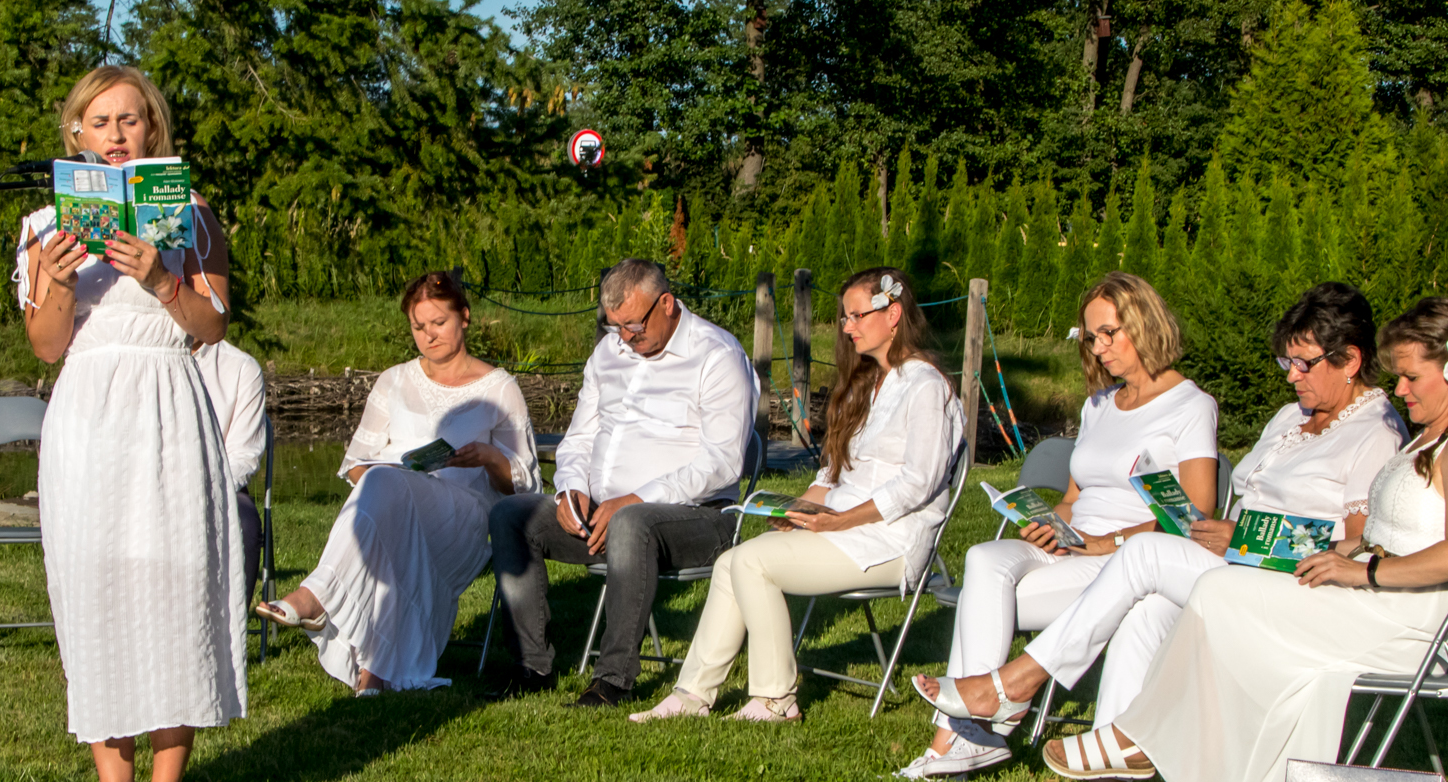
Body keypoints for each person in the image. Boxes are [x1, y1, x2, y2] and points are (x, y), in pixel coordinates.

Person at [1039, 297, 1448, 782]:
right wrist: (1332, 553)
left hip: (1408, 621)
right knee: (1224, 607)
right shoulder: (1428, 439)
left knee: (1220, 593)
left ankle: (1142, 739)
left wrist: (1361, 574)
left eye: (1411, 377)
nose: (1401, 390)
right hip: (1375, 596)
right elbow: (1371, 531)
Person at [914, 282, 1405, 782]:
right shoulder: (1291, 419)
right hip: (1229, 561)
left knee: (1140, 557)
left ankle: (1017, 682)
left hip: (1286, 581)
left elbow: (1360, 542)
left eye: (1303, 364)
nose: (1291, 375)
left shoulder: (1374, 431)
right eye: (1287, 360)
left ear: (1350, 359)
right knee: (1136, 601)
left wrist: (1247, 538)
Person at [17, 65, 240, 782]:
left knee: (176, 590)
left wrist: (160, 277)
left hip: (166, 408)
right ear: (75, 133)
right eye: (100, 121)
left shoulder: (193, 215)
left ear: (154, 131)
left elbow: (211, 329)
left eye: (131, 120)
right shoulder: (46, 224)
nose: (115, 135)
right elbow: (47, 348)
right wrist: (53, 281)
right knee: (92, 592)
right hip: (86, 416)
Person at [901, 271, 1217, 781]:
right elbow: (1074, 499)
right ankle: (979, 723)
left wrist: (1102, 543)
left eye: (1110, 332)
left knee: (987, 606)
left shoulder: (1190, 406)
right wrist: (1048, 522)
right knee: (984, 557)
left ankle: (958, 741)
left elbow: (1194, 516)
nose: (1099, 347)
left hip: (1121, 560)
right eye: (1091, 337)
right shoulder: (1099, 405)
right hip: (1072, 548)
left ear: (1145, 324)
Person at [631, 269, 963, 724]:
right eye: (844, 317)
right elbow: (832, 471)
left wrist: (838, 521)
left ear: (894, 315)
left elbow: (918, 483)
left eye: (856, 316)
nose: (847, 327)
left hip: (889, 541)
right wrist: (800, 509)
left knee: (751, 562)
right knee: (732, 561)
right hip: (843, 527)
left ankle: (775, 699)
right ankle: (692, 693)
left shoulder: (926, 387)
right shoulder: (872, 381)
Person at [255, 272, 540, 693]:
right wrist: (382, 477)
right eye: (418, 327)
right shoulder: (394, 379)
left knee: (387, 486)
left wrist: (489, 457)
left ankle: (317, 596)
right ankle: (376, 673)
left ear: (464, 317)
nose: (428, 336)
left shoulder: (499, 388)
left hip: (462, 517)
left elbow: (526, 486)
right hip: (393, 505)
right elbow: (354, 465)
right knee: (383, 485)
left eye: (438, 323)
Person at [490, 258, 756, 708]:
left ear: (667, 304)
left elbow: (724, 463)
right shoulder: (609, 353)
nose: (626, 339)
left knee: (633, 522)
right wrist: (570, 488)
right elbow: (580, 437)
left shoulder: (717, 355)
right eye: (615, 327)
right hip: (603, 515)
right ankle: (532, 667)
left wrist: (635, 499)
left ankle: (613, 680)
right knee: (511, 515)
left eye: (633, 325)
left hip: (699, 519)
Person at [192, 337, 268, 602]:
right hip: (147, 485)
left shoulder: (240, 368)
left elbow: (243, 456)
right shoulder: (142, 360)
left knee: (244, 522)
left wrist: (202, 489)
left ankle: (233, 635)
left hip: (222, 486)